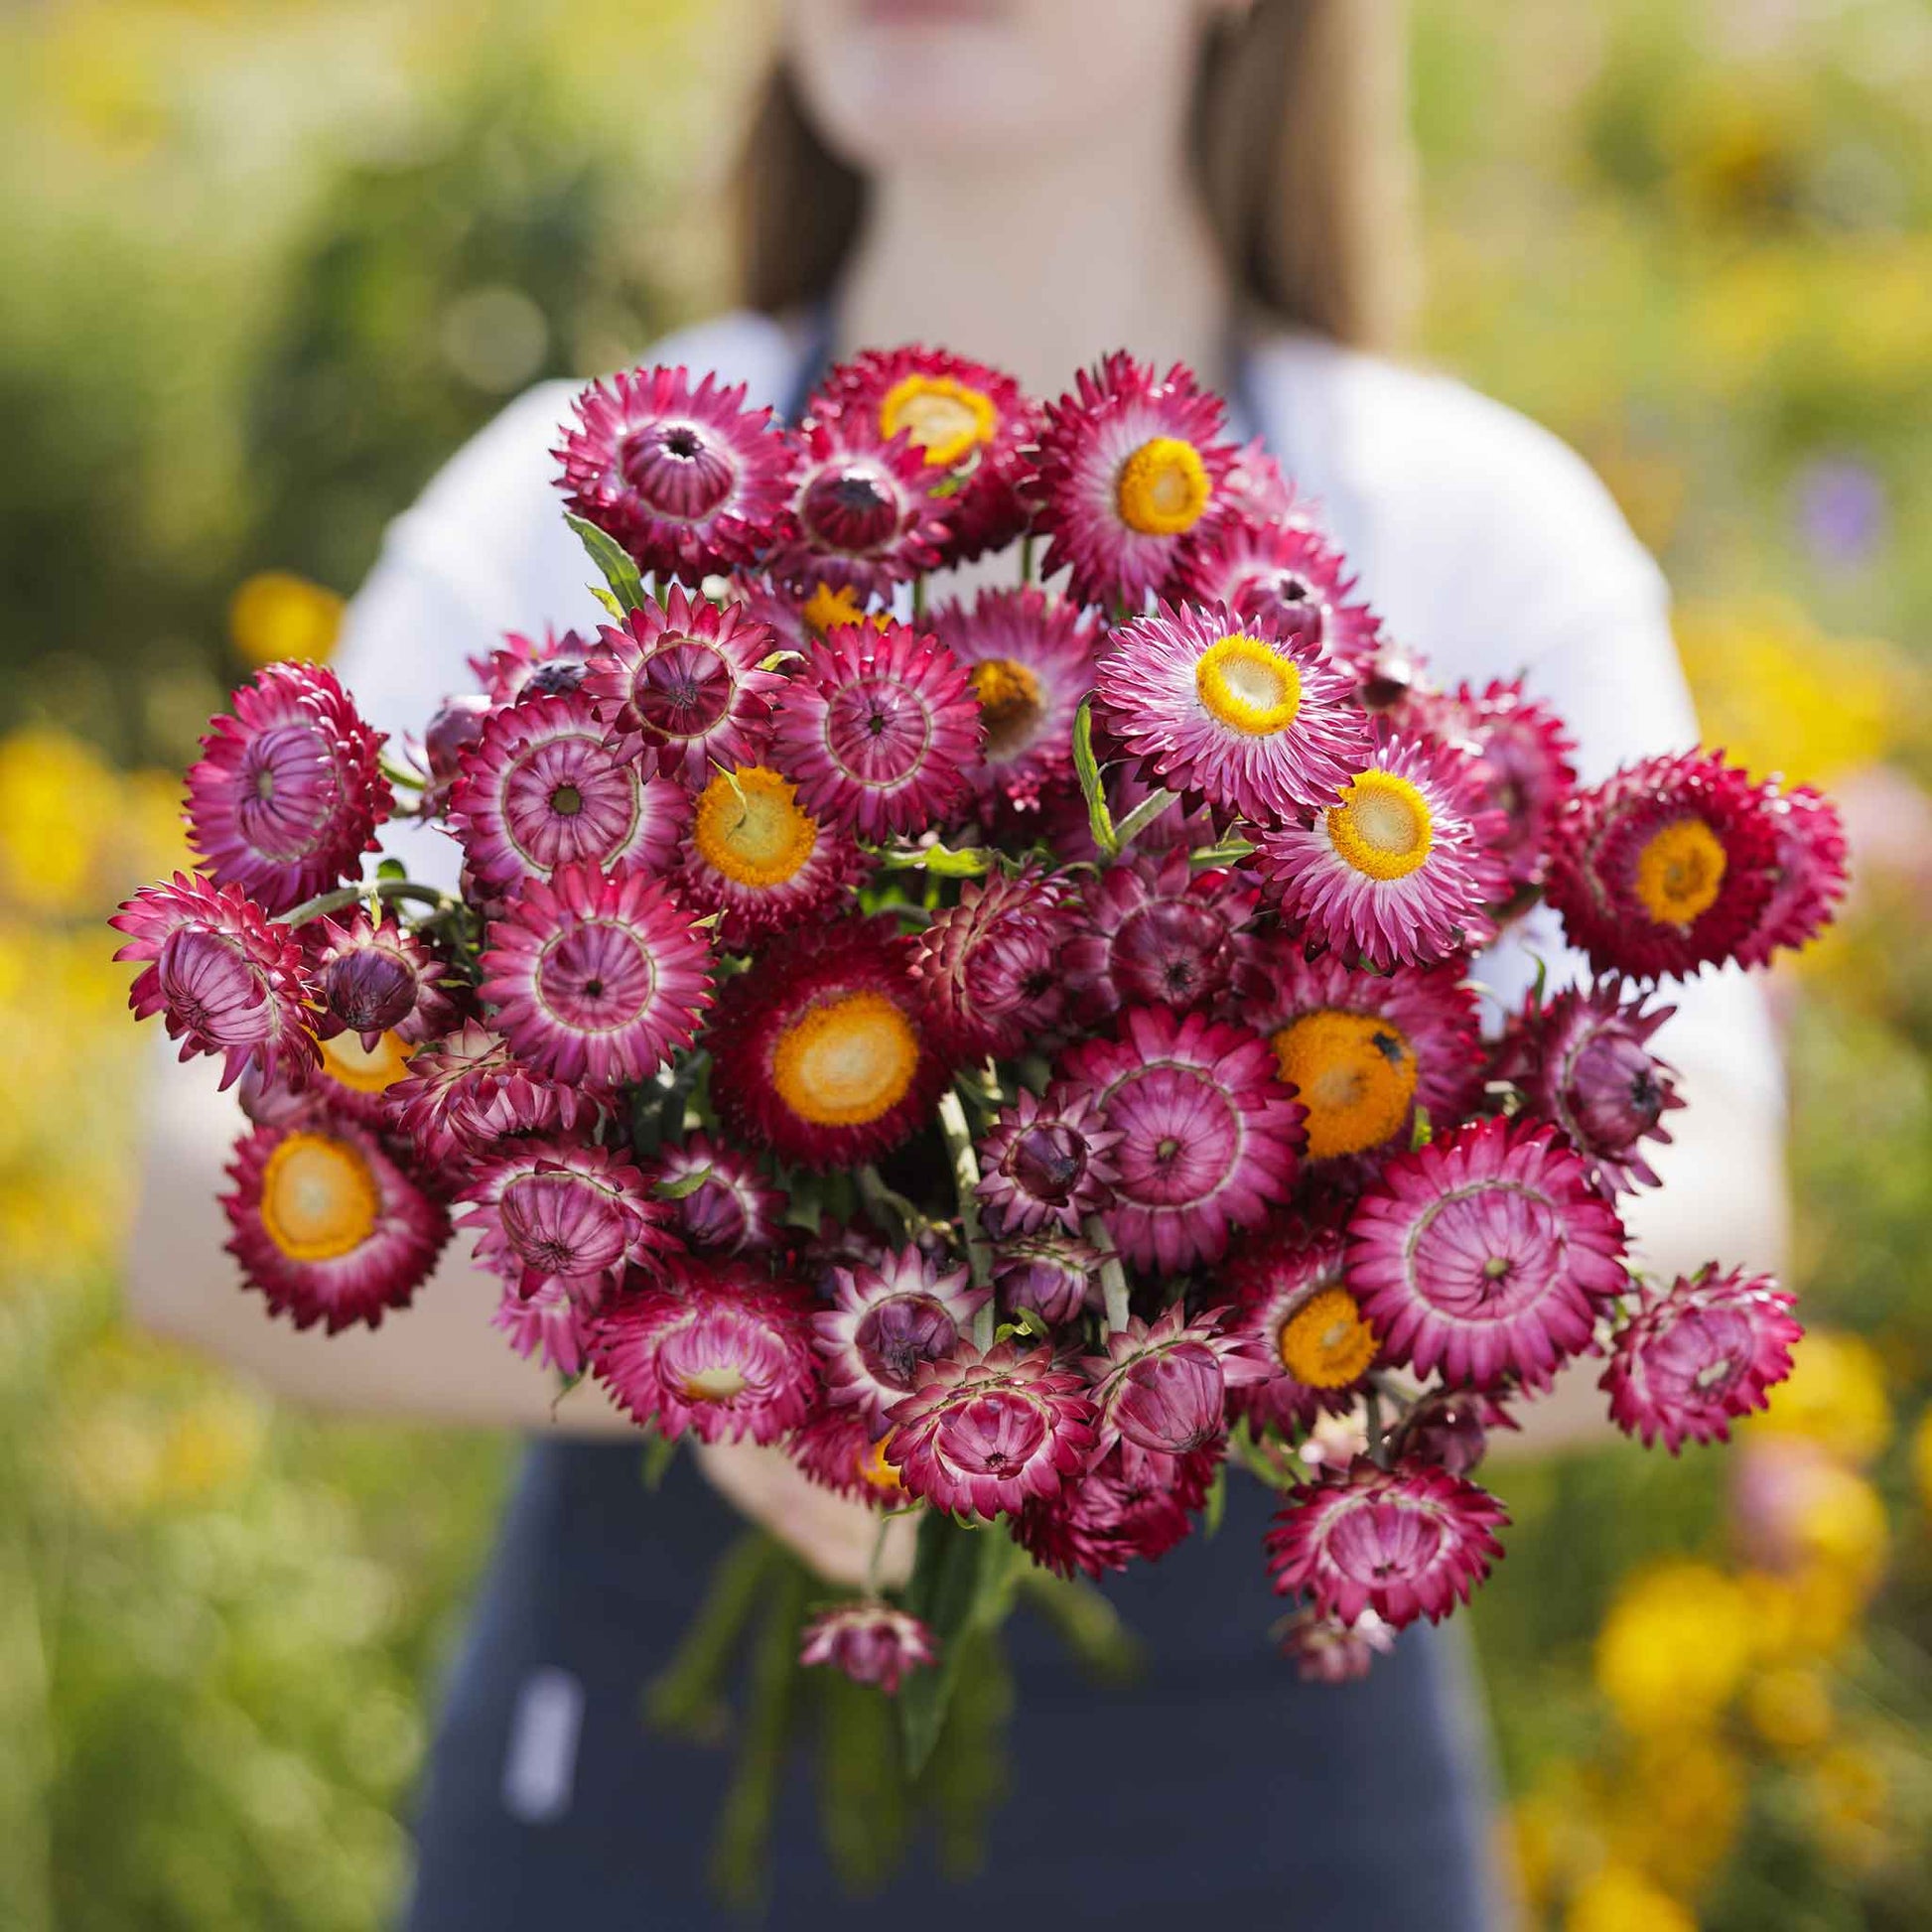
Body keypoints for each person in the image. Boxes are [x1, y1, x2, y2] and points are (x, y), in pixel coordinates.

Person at [128, 1, 1791, 1923]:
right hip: (636, 1835)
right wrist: (715, 1349)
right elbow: (197, 1198)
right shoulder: (590, 498)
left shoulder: (1456, 524)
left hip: (1274, 1842)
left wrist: (1267, 1347)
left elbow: (1711, 1198)